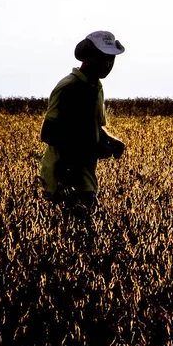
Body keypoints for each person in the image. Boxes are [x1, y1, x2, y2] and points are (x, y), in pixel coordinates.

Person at [40, 30, 126, 216]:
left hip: (85, 176)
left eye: (111, 59)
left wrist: (112, 141)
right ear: (87, 57)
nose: (108, 64)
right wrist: (91, 149)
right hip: (62, 175)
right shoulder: (68, 86)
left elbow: (95, 127)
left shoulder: (96, 87)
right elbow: (48, 133)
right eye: (102, 57)